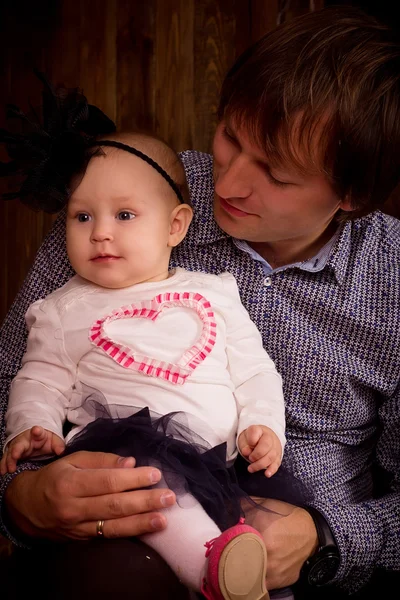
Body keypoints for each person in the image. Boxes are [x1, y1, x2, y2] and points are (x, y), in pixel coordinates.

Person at [0, 4, 399, 599]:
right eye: (230, 138)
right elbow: (15, 376)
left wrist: (327, 540)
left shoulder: (393, 277)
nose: (230, 183)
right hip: (123, 543)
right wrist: (21, 498)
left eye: (277, 173)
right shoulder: (126, 193)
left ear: (353, 194)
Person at [0, 117, 294, 600]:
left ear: (175, 225)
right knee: (159, 495)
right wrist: (34, 428)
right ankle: (211, 569)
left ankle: (248, 577)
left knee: (266, 528)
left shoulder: (213, 293)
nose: (100, 234)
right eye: (82, 217)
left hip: (222, 465)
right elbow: (38, 379)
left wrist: (262, 425)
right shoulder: (62, 309)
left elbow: (255, 370)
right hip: (126, 456)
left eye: (125, 216)